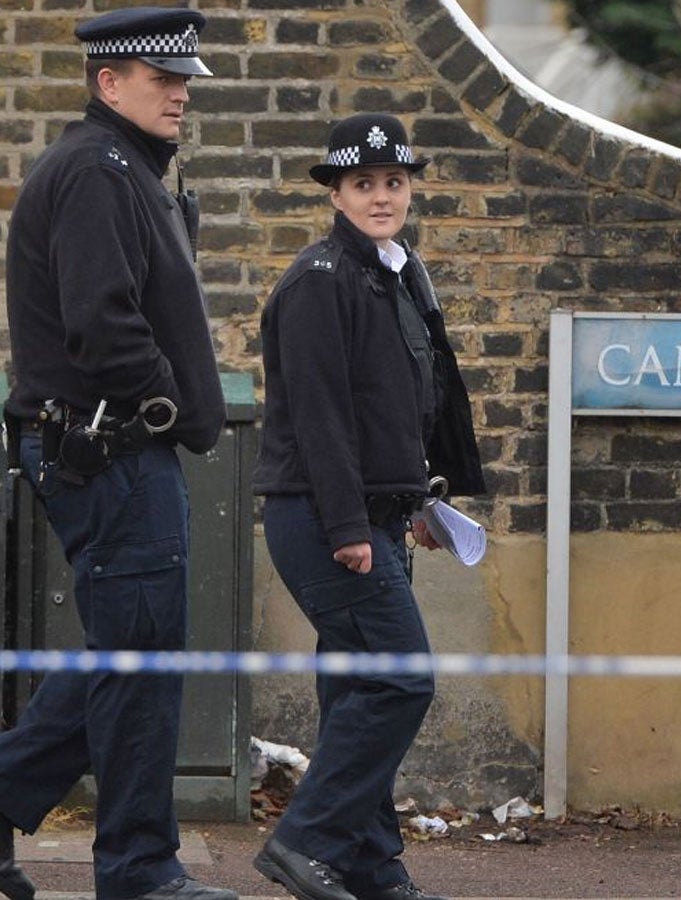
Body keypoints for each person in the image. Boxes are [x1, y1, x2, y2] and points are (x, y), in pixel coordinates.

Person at [0, 7, 234, 900]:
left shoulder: (121, 169)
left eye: (184, 81)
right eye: (161, 78)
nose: (180, 93)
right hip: (110, 449)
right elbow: (103, 322)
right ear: (109, 82)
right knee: (140, 666)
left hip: (111, 447)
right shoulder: (100, 171)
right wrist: (168, 402)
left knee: (124, 658)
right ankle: (138, 869)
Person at [251, 114, 485, 900]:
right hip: (321, 516)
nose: (382, 196)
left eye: (394, 181)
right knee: (400, 679)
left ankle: (369, 864)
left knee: (357, 688)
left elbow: (401, 410)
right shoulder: (320, 281)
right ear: (337, 193)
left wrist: (418, 501)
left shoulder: (400, 272)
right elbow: (318, 417)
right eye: (364, 184)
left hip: (376, 513)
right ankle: (305, 842)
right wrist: (350, 527)